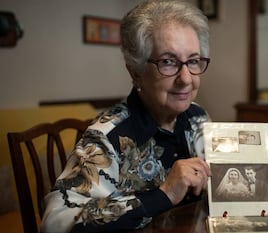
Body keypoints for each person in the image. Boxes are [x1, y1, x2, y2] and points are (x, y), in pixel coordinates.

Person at [40, 0, 212, 232]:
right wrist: (163, 195)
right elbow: (55, 223)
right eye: (168, 62)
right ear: (136, 71)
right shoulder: (106, 137)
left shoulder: (198, 117)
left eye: (192, 61)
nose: (186, 79)